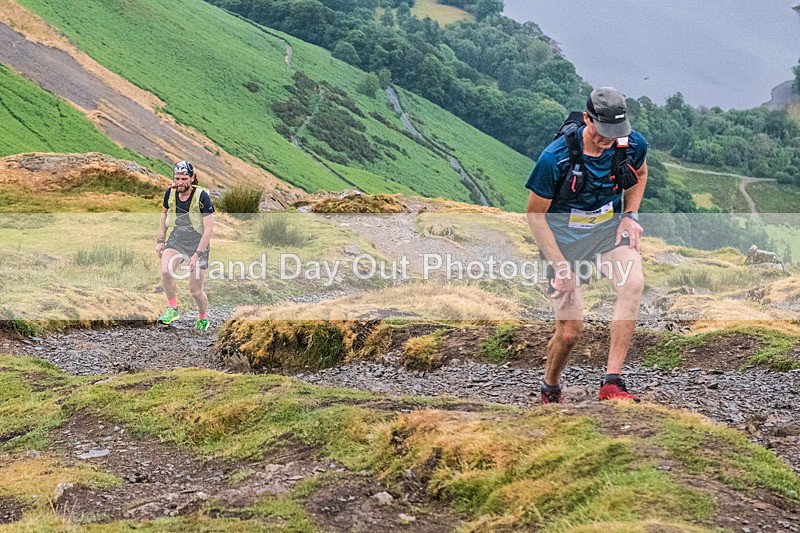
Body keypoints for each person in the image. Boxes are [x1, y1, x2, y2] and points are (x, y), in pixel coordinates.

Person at [525, 87, 648, 404]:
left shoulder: (631, 144)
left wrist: (630, 215)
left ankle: (611, 383)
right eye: (602, 130)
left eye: (615, 131)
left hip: (607, 232)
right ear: (587, 118)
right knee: (570, 331)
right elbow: (535, 216)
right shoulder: (554, 159)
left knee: (633, 283)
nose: (608, 138)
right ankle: (550, 386)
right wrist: (560, 266)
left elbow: (641, 173)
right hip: (564, 243)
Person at [155, 161, 215, 331]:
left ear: (192, 178)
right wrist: (160, 240)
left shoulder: (202, 197)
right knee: (166, 271)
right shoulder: (170, 193)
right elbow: (164, 215)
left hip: (198, 243)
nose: (180, 182)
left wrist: (197, 254)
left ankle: (202, 317)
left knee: (195, 291)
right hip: (177, 239)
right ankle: (172, 308)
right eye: (177, 178)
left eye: (184, 178)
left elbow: (209, 230)